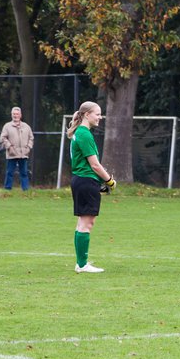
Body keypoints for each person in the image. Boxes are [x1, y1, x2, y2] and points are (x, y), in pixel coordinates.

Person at [67, 101, 115, 273]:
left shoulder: (80, 133)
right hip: (86, 181)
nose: (100, 117)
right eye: (97, 113)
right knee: (87, 223)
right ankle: (82, 264)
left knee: (83, 222)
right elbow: (94, 165)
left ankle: (81, 262)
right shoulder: (84, 134)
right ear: (87, 114)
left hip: (81, 181)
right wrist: (110, 180)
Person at [0, 106, 34, 191]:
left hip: (23, 154)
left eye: (17, 114)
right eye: (14, 114)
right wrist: (9, 147)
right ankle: (7, 189)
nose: (15, 115)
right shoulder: (7, 126)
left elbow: (31, 138)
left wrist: (28, 148)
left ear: (20, 115)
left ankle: (25, 189)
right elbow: (2, 138)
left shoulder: (26, 126)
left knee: (24, 173)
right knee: (9, 172)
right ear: (11, 115)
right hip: (12, 154)